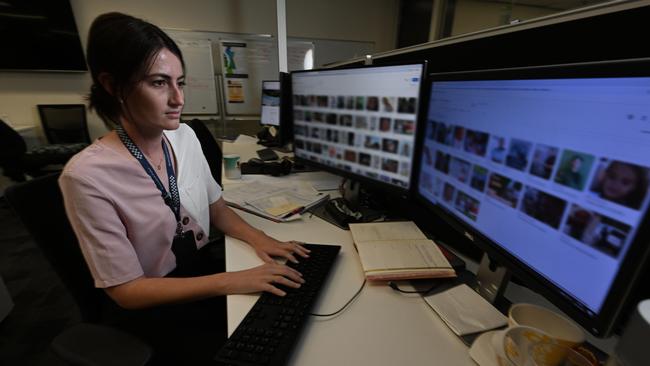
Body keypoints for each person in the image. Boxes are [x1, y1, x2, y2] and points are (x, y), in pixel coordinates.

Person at [58, 12, 309, 364]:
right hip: (155, 303)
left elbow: (216, 208)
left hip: (201, 272)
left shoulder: (184, 136)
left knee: (290, 317)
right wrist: (231, 280)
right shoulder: (86, 176)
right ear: (113, 86)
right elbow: (126, 291)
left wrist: (259, 238)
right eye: (160, 83)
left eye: (181, 82)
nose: (178, 98)